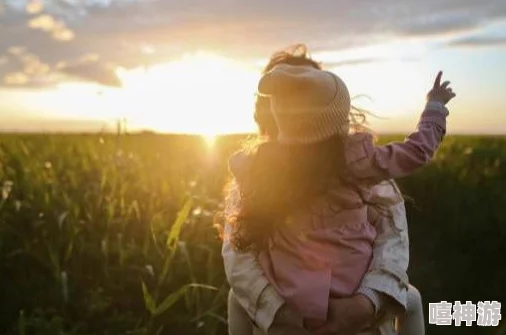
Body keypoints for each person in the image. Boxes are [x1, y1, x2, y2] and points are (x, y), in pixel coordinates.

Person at [221, 44, 453, 334]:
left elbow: (392, 240)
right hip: (337, 296)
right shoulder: (360, 162)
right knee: (413, 298)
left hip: (302, 299)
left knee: (236, 299)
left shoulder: (257, 169)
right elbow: (416, 151)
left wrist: (365, 302)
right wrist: (434, 109)